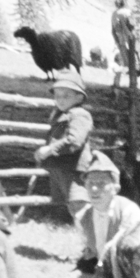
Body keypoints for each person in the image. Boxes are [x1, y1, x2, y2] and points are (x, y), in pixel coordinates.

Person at [75, 153, 140, 278]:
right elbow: (89, 251)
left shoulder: (129, 212)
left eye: (101, 184)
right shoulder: (82, 217)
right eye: (90, 183)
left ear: (116, 188)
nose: (94, 189)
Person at [34, 75, 94, 216]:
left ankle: (90, 230)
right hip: (60, 166)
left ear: (79, 98)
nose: (60, 99)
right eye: (57, 96)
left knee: (78, 202)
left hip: (73, 167)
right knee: (66, 202)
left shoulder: (80, 115)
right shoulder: (60, 115)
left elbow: (75, 141)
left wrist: (50, 149)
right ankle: (76, 227)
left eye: (66, 96)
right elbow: (54, 138)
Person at [111, 0, 137, 91]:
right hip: (128, 40)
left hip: (119, 40)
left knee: (120, 62)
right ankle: (132, 85)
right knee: (131, 63)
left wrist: (116, 41)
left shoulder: (114, 14)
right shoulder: (128, 12)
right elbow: (132, 26)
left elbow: (113, 30)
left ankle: (116, 84)